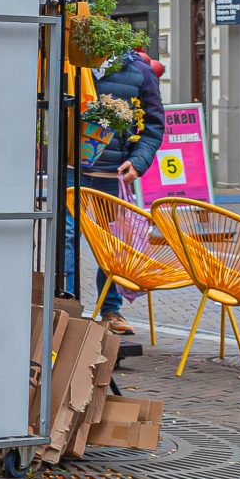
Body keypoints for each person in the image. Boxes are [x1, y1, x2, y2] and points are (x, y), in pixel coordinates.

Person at [69, 43, 166, 335]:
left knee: (111, 245)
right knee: (65, 239)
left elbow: (153, 125)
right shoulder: (70, 63)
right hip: (70, 171)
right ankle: (66, 307)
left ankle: (111, 310)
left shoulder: (139, 71)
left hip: (113, 175)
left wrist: (138, 162)